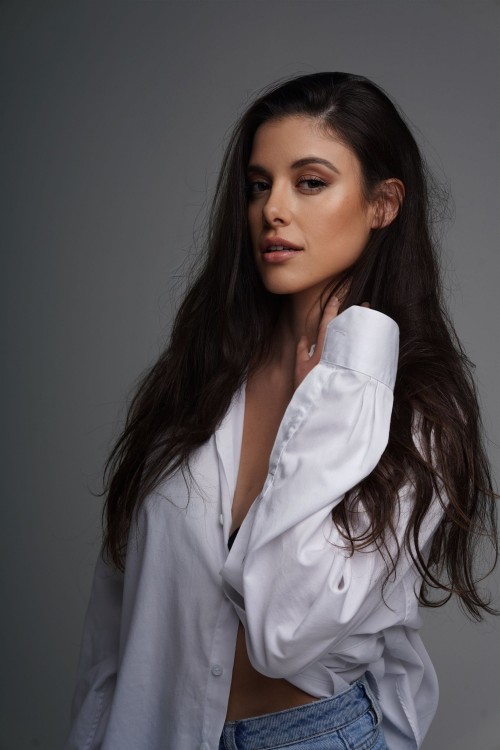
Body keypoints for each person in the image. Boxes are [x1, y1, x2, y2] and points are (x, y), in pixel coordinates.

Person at [65, 72, 497, 750]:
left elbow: (282, 633)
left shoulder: (414, 410)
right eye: (259, 185)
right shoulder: (201, 376)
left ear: (383, 204)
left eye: (311, 182)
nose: (274, 209)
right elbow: (117, 611)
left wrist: (339, 380)